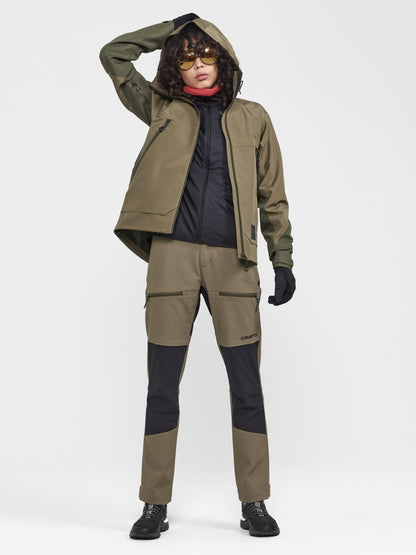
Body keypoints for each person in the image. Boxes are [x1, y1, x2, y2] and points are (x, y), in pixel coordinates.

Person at [99, 13, 296, 540]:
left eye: (207, 52)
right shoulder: (160, 107)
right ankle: (153, 504)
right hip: (173, 259)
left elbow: (272, 195)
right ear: (174, 64)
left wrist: (282, 259)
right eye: (186, 56)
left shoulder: (253, 117)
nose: (198, 64)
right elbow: (113, 55)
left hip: (235, 263)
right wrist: (172, 28)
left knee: (247, 385)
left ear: (223, 58)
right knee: (162, 386)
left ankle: (254, 501)